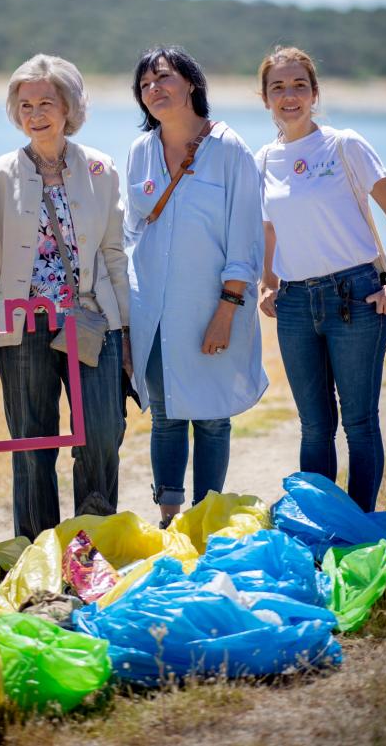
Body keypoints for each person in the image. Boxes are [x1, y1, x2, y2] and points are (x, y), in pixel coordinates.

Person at [0, 54, 130, 541]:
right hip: (22, 328)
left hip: (92, 322)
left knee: (102, 434)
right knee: (32, 447)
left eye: (46, 103)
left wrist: (127, 332)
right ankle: (37, 550)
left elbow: (114, 255)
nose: (35, 114)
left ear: (69, 107)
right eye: (26, 105)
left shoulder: (101, 169)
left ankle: (92, 548)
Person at [256, 46, 386, 512]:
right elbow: (269, 229)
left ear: (314, 93)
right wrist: (268, 282)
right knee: (314, 428)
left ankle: (360, 527)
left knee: (359, 424)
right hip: (295, 305)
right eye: (278, 87)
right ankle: (322, 524)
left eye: (299, 85)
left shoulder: (344, 145)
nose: (289, 96)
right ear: (265, 98)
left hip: (357, 296)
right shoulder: (263, 160)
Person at [125, 46, 267, 529]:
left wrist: (227, 310)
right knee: (164, 415)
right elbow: (132, 235)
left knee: (211, 416)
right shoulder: (140, 151)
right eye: (145, 84)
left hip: (212, 308)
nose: (154, 89)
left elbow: (245, 240)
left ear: (191, 83)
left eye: (163, 78)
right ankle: (169, 518)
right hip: (152, 312)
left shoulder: (229, 148)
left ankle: (207, 519)